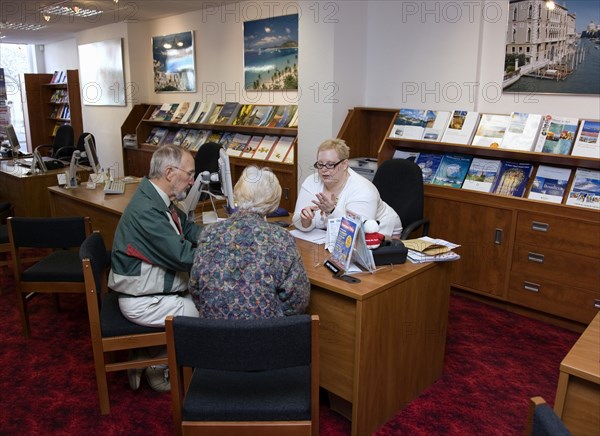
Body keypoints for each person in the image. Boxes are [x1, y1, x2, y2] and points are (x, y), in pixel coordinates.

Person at [108, 144, 202, 391]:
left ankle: (147, 354)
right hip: (144, 300)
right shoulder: (147, 210)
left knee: (207, 295)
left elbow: (189, 230)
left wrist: (221, 235)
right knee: (212, 309)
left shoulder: (155, 197)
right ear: (170, 172)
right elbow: (184, 256)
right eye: (190, 174)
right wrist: (226, 253)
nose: (192, 181)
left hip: (151, 292)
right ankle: (156, 366)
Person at [189, 166, 310, 319]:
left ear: (237, 194)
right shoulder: (281, 239)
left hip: (216, 336)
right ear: (273, 202)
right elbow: (297, 300)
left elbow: (195, 288)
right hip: (267, 336)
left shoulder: (209, 233)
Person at [292, 138, 402, 239]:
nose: (324, 170)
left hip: (381, 232)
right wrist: (305, 221)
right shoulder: (311, 181)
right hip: (328, 237)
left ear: (344, 164)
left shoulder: (363, 189)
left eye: (330, 165)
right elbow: (297, 219)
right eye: (320, 164)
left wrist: (332, 211)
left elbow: (358, 231)